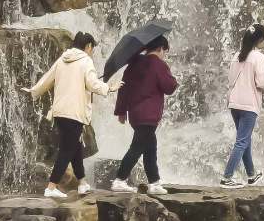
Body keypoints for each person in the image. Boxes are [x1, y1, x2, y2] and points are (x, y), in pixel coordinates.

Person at [27, 32, 111, 199]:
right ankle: (51, 187)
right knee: (67, 150)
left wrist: (33, 91)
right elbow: (93, 84)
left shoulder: (62, 59)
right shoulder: (86, 61)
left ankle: (82, 183)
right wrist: (109, 88)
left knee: (75, 147)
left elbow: (47, 78)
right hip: (74, 113)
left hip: (60, 112)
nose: (92, 52)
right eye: (92, 48)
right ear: (88, 46)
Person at [111, 37, 178, 196]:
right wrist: (174, 80)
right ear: (161, 48)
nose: (164, 55)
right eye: (164, 52)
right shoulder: (158, 64)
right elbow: (169, 87)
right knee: (137, 148)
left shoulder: (134, 64)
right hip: (149, 114)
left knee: (150, 148)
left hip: (135, 113)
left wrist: (121, 110)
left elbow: (123, 87)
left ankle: (154, 183)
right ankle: (119, 180)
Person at [221, 23, 264, 188]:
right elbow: (263, 82)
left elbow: (230, 80)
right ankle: (226, 178)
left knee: (244, 139)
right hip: (249, 104)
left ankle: (251, 175)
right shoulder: (259, 57)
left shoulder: (237, 56)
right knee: (242, 141)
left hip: (234, 103)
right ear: (259, 39)